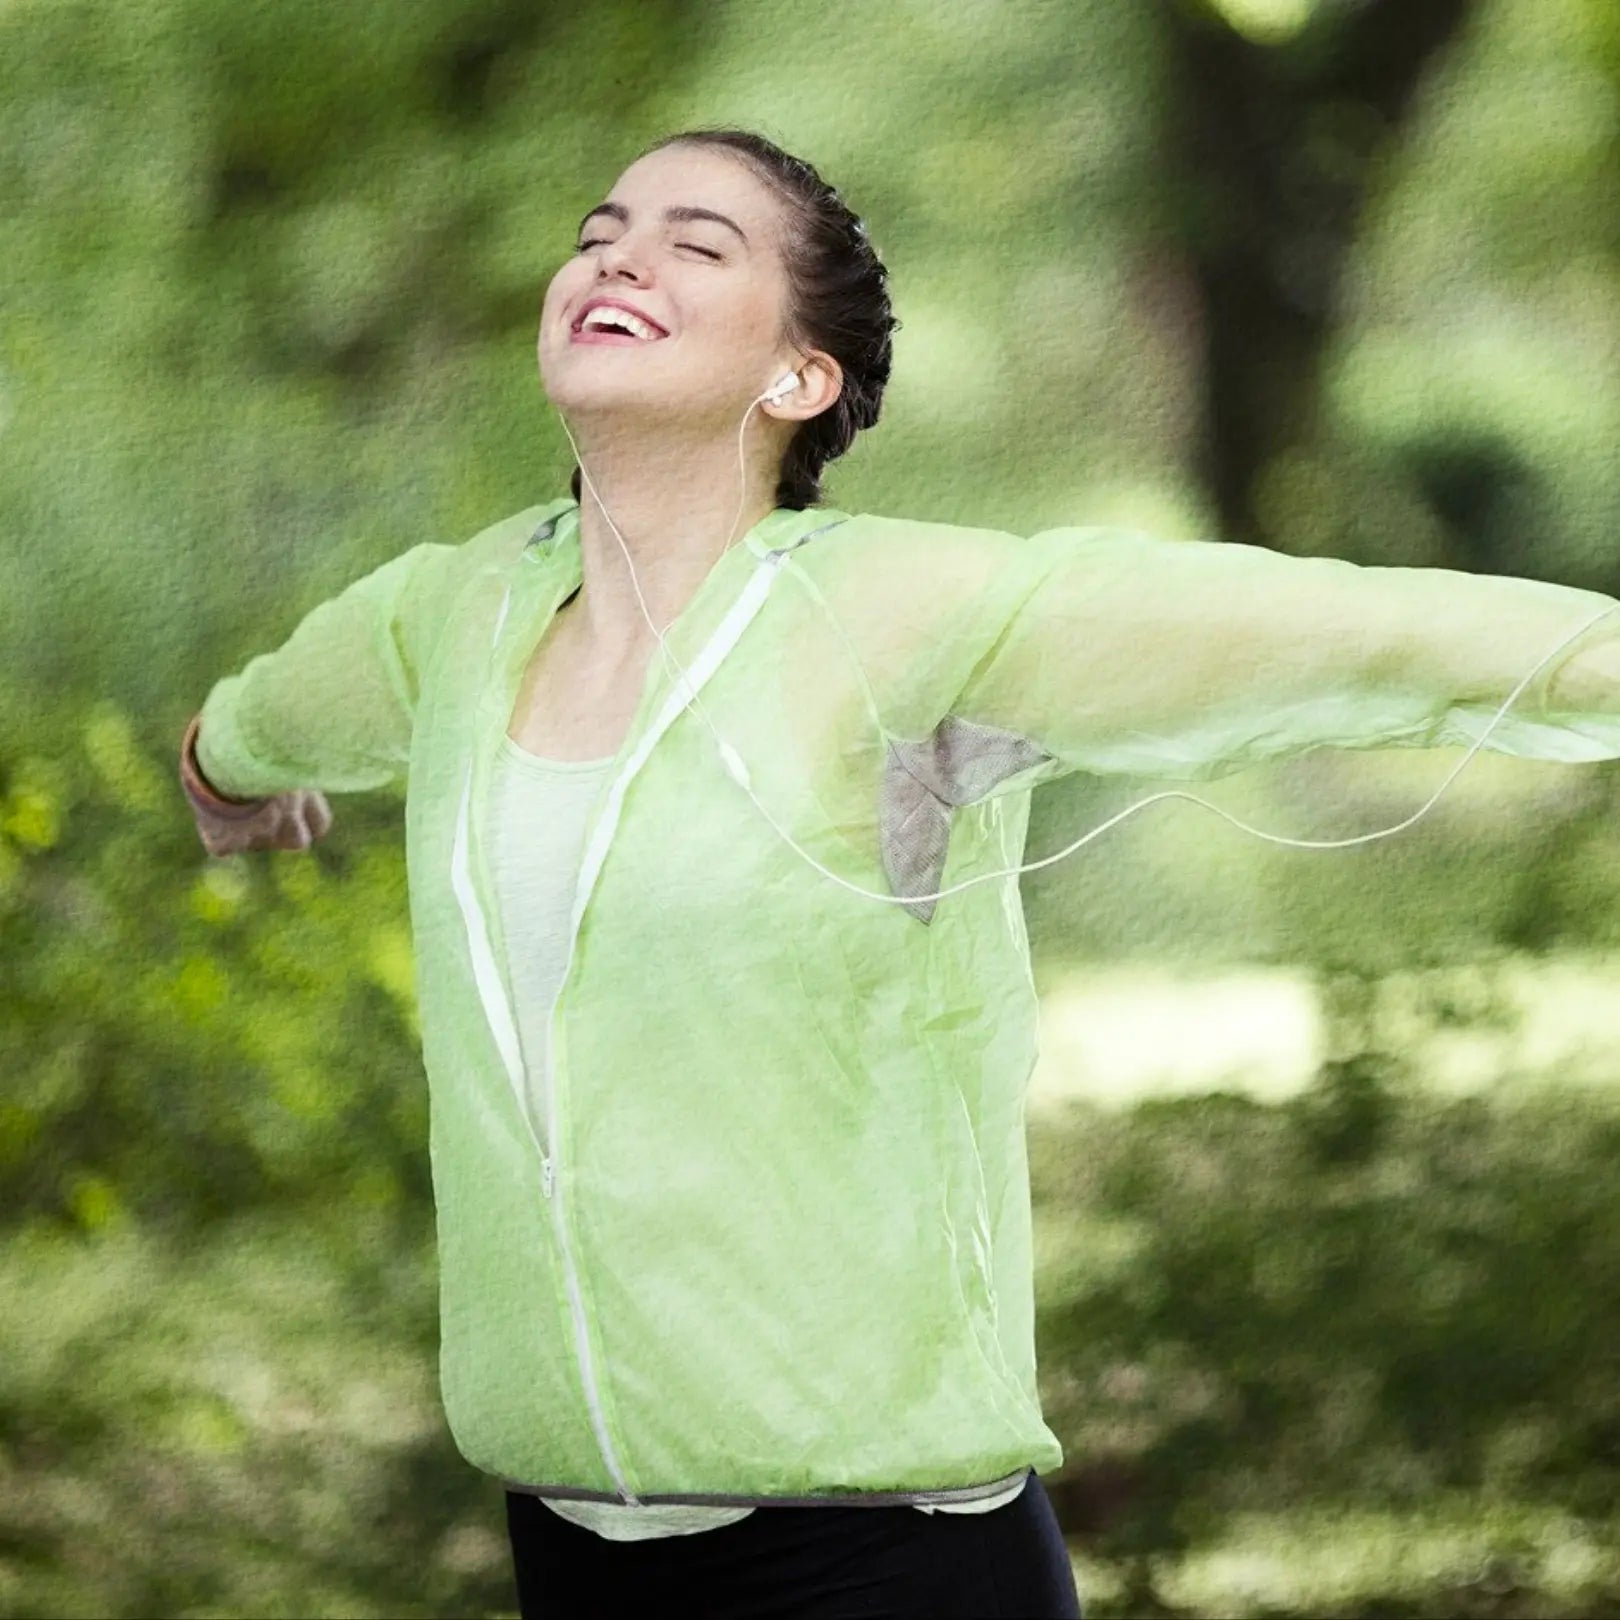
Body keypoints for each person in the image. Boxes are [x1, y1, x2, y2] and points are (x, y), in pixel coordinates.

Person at [178, 127, 1620, 1619]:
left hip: (884, 1557)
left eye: (697, 243)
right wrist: (229, 772)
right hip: (572, 1548)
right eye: (603, 228)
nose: (619, 255)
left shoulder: (907, 614)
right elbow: (272, 712)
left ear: (796, 379)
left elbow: (1340, 634)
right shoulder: (456, 615)